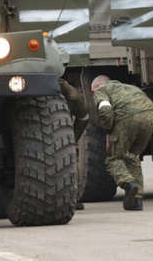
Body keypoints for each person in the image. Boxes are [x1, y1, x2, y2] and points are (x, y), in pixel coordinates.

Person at [90, 75, 153, 211]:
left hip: (128, 119)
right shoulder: (130, 87)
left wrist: (108, 130)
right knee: (132, 157)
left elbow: (105, 110)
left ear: (96, 86)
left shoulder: (101, 90)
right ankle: (136, 201)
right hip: (150, 118)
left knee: (114, 159)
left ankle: (128, 184)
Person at [59, 78, 89, 210]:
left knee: (70, 160)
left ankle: (73, 197)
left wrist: (73, 138)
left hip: (63, 130)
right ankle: (73, 198)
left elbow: (84, 116)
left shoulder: (72, 96)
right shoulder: (70, 93)